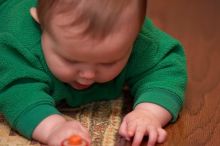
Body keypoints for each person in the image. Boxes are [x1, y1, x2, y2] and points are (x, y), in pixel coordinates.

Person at [0, 0, 187, 146]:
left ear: (135, 36)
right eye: (70, 60)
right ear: (41, 26)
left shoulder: (138, 39)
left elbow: (165, 69)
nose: (87, 75)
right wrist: (52, 127)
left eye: (109, 62)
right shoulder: (17, 46)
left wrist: (149, 113)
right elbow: (17, 93)